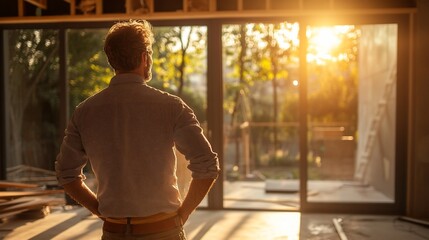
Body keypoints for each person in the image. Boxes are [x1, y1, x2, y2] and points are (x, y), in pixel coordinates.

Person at [55, 19, 220, 240]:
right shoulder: (171, 106)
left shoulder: (84, 111)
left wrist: (101, 211)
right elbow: (207, 165)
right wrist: (183, 215)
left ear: (111, 59)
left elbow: (66, 174)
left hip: (113, 233)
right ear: (145, 58)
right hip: (163, 231)